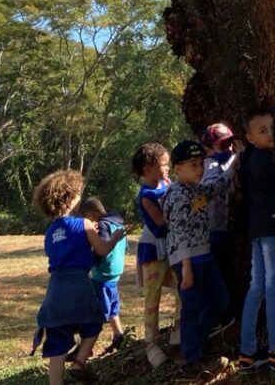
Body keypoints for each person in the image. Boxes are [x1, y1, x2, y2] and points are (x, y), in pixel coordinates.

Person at [30, 169, 124, 385]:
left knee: (57, 341)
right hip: (80, 286)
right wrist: (115, 238)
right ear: (69, 198)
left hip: (56, 291)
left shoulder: (49, 232)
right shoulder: (84, 224)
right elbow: (102, 250)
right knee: (93, 324)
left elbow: (60, 253)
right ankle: (80, 361)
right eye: (78, 192)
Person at [164, 138, 237, 379]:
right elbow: (179, 231)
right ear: (178, 169)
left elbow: (217, 187)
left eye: (200, 164)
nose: (199, 169)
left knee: (220, 299)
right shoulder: (177, 194)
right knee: (191, 308)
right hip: (187, 260)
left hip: (204, 255)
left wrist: (236, 160)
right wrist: (185, 267)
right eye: (193, 165)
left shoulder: (197, 189)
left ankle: (197, 341)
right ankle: (191, 358)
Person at [236, 107, 275, 372]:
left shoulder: (249, 158)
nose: (270, 134)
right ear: (250, 137)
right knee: (273, 287)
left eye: (272, 128)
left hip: (257, 230)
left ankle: (247, 351)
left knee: (256, 286)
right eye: (262, 131)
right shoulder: (269, 161)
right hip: (273, 230)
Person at [131, 142, 180, 368]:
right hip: (153, 250)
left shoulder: (167, 184)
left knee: (182, 286)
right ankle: (151, 343)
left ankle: (178, 328)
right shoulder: (146, 195)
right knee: (153, 297)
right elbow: (160, 222)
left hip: (172, 247)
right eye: (163, 164)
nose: (168, 168)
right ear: (148, 168)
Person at [201, 122, 241, 331]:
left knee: (230, 274)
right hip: (213, 230)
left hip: (228, 228)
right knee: (220, 278)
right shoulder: (209, 165)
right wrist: (232, 167)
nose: (228, 148)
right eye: (222, 145)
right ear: (209, 149)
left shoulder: (230, 160)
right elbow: (211, 190)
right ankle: (218, 320)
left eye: (229, 144)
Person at [80, 198, 126, 355]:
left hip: (102, 274)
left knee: (97, 313)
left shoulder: (103, 225)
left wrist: (88, 264)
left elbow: (102, 250)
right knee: (112, 307)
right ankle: (119, 335)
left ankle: (85, 348)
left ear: (91, 214)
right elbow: (124, 246)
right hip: (115, 272)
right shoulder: (118, 223)